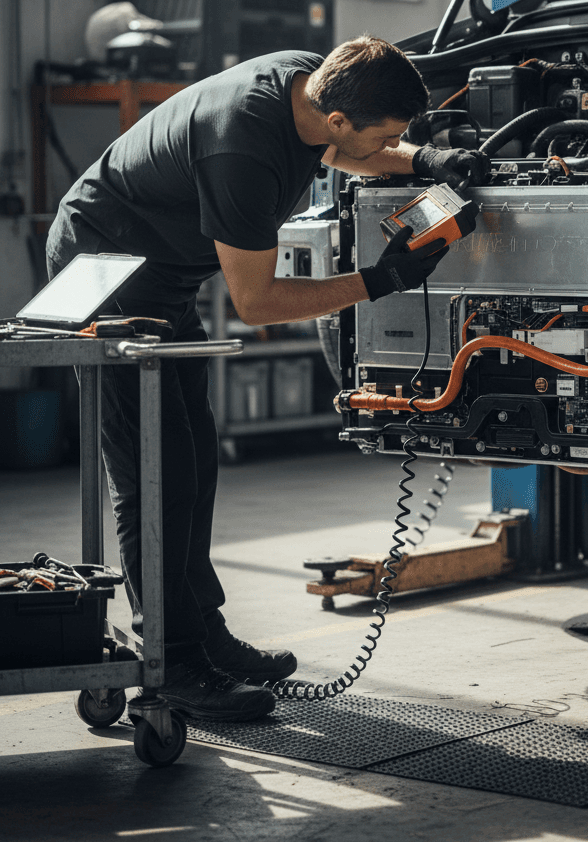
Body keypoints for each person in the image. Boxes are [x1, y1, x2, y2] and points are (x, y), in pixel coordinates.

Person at [46, 36, 488, 721]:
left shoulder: (310, 85)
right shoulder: (242, 150)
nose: (398, 145)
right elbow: (258, 303)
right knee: (152, 477)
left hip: (159, 280)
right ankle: (175, 663)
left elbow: (345, 151)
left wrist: (427, 160)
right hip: (104, 277)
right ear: (340, 114)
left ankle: (204, 633)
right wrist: (380, 280)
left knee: (193, 465)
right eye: (395, 135)